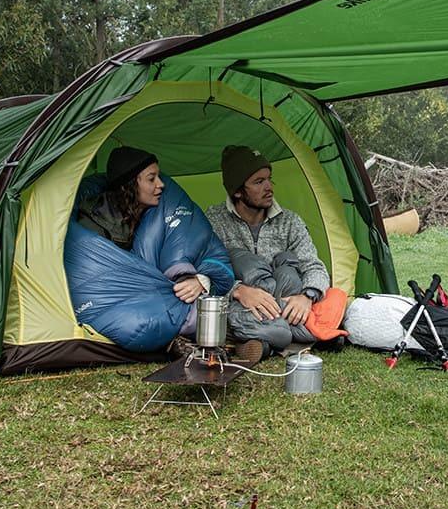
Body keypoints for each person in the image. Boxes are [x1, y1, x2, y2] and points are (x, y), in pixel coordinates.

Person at [205, 145, 347, 361]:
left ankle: (260, 341)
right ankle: (299, 338)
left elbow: (314, 266)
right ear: (237, 191)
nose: (269, 187)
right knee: (218, 310)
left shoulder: (289, 221)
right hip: (241, 304)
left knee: (332, 297)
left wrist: (306, 297)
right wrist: (238, 291)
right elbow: (203, 270)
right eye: (259, 182)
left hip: (285, 299)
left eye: (269, 179)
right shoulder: (215, 221)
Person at [78, 146, 206, 304]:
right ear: (129, 185)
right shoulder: (92, 224)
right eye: (152, 179)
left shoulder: (156, 215)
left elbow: (199, 247)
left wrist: (200, 280)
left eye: (159, 177)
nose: (161, 184)